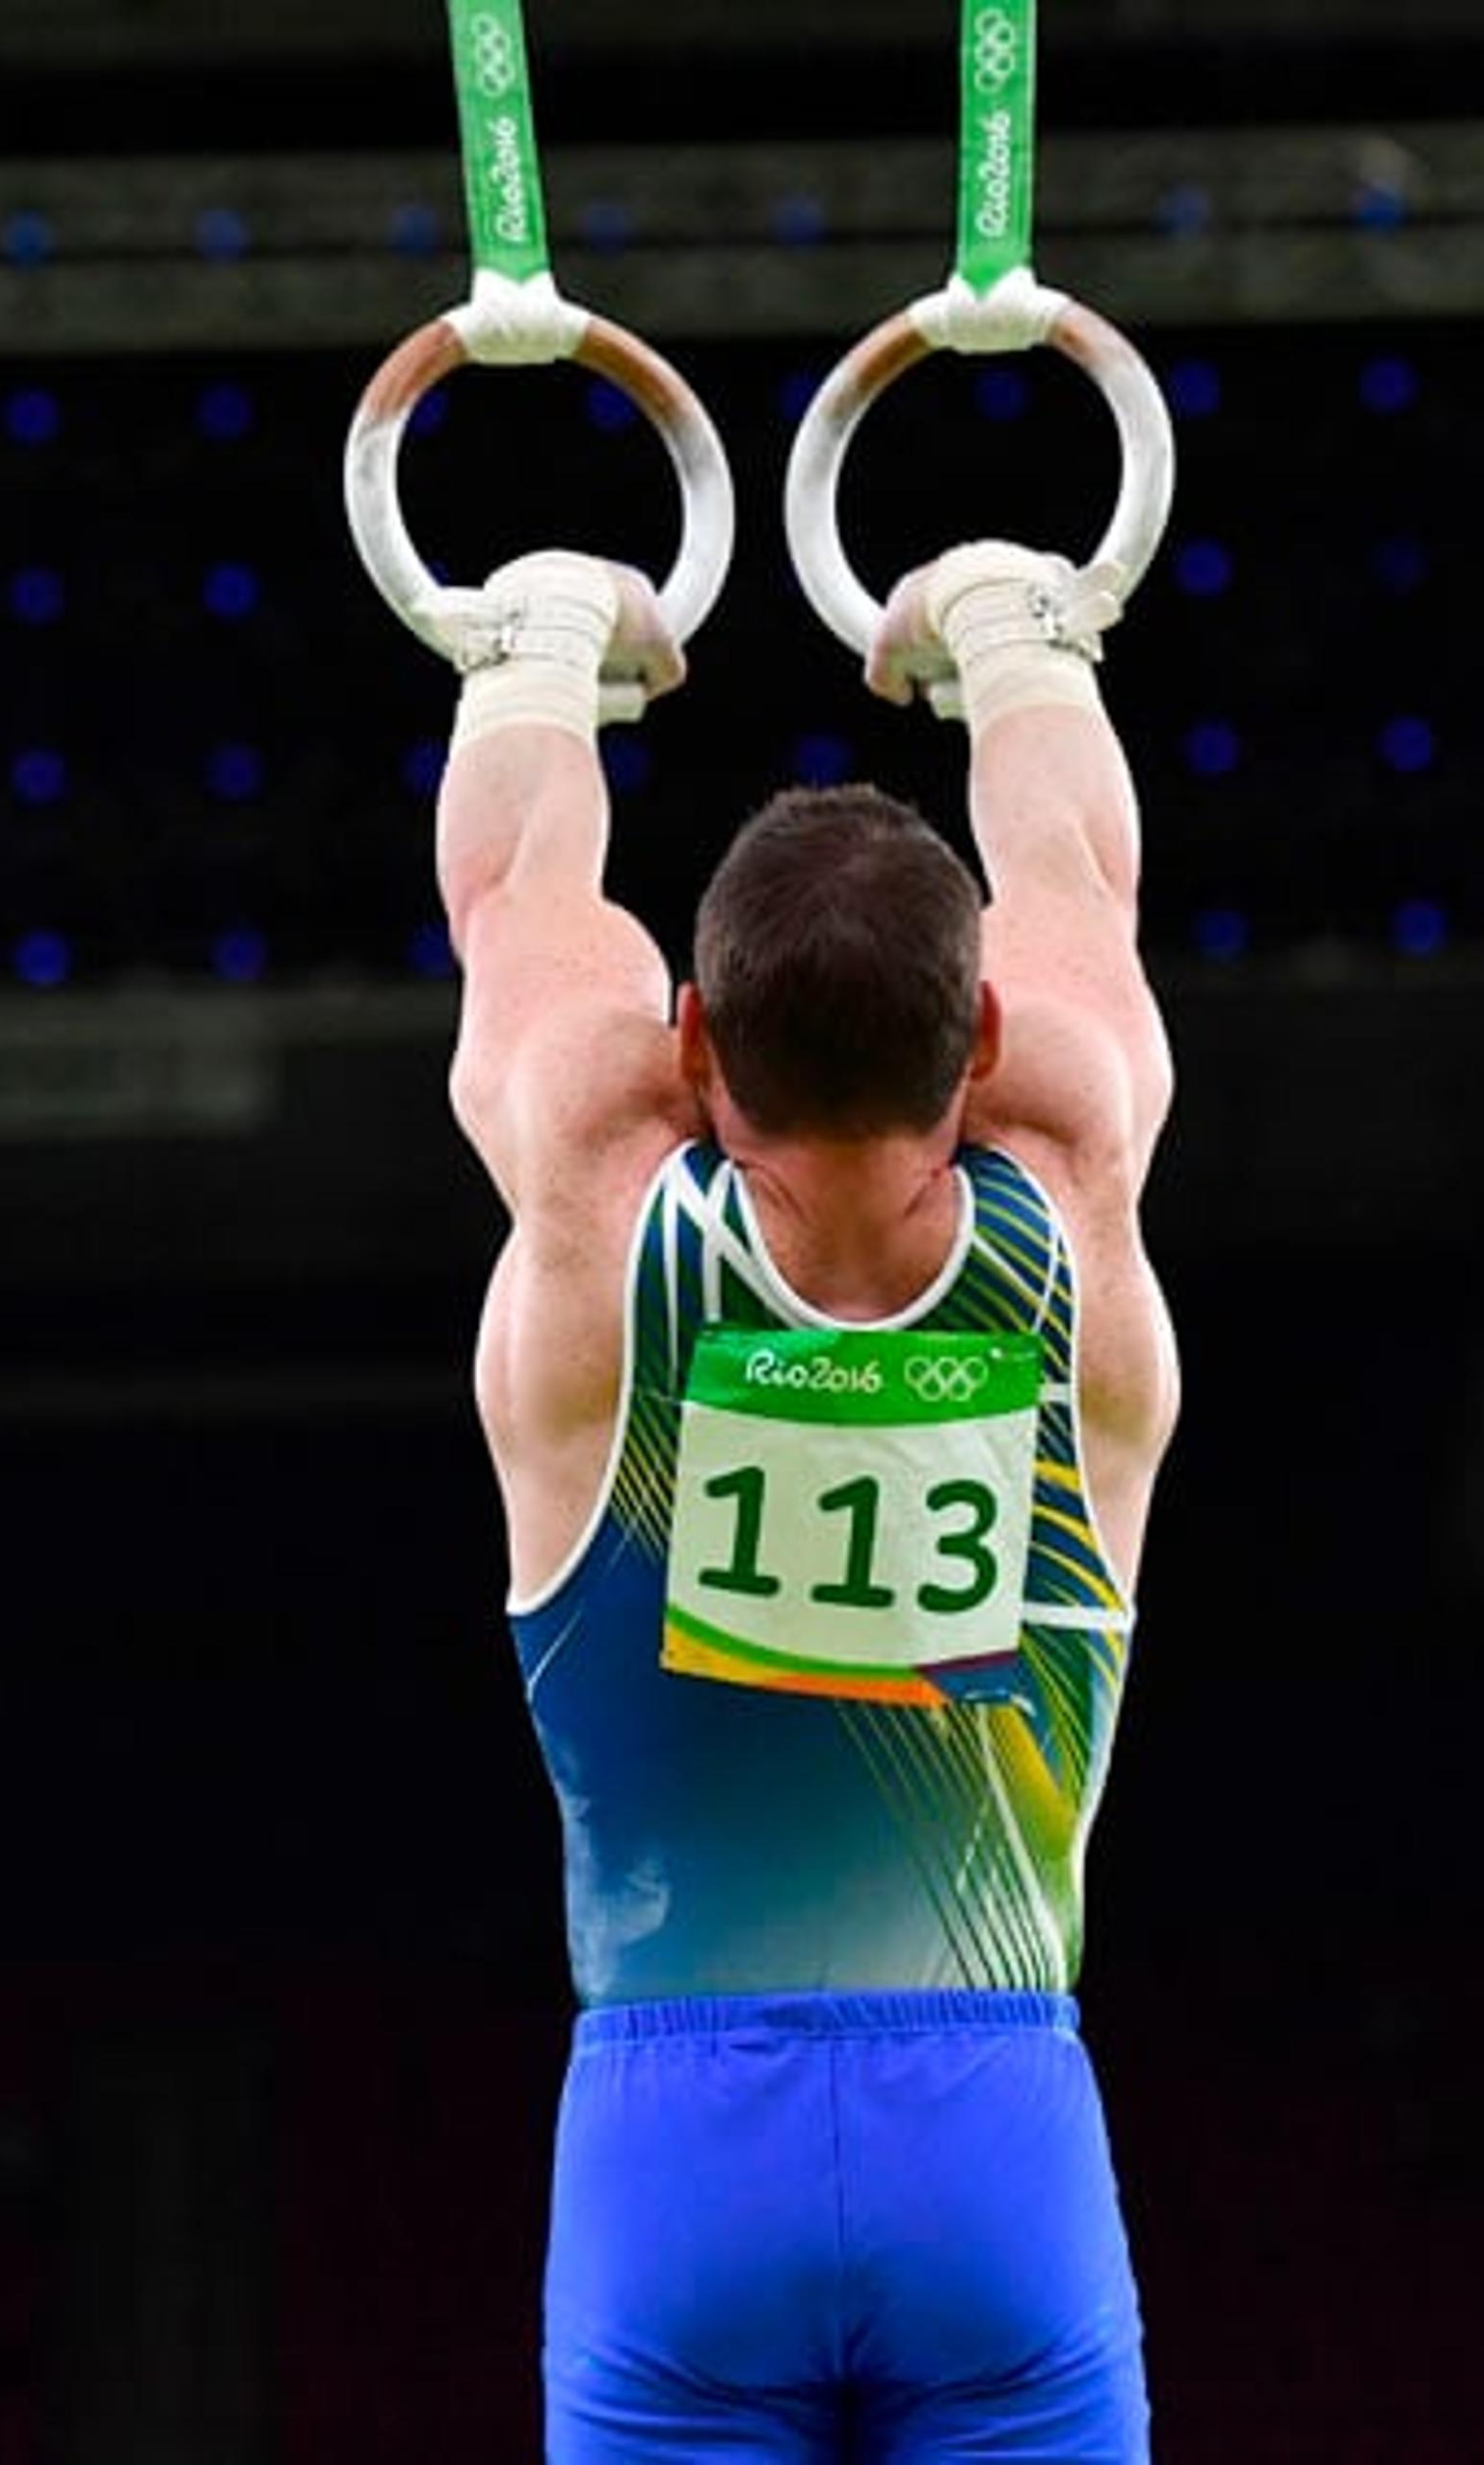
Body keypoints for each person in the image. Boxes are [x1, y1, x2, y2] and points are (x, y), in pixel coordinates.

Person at [425, 540, 1181, 2461]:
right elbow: (1084, 883)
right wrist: (1017, 635)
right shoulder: (1075, 1191)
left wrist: (539, 650)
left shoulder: (597, 1216)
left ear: (692, 1046)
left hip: (676, 2165)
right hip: (997, 2135)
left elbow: (509, 892)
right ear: (982, 1040)